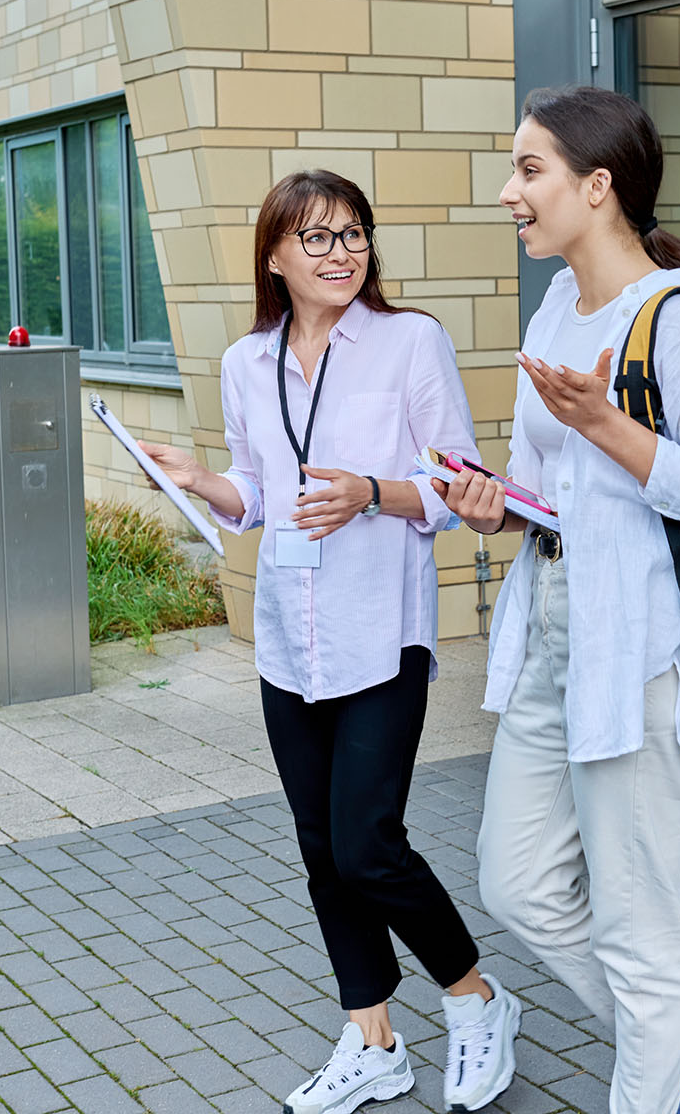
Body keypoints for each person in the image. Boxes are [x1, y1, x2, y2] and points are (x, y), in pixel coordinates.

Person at [140, 170, 522, 1114]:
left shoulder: (409, 343)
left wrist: (373, 491)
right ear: (275, 254)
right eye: (317, 238)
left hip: (381, 636)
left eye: (354, 234)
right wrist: (198, 478)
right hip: (288, 643)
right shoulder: (246, 360)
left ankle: (475, 997)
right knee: (322, 852)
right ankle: (372, 1039)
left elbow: (461, 487)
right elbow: (256, 494)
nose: (342, 252)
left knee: (367, 844)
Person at [439, 86, 680, 1114]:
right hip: (549, 637)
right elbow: (553, 493)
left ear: (598, 185)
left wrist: (610, 428)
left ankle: (663, 1072)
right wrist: (493, 506)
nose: (509, 193)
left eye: (529, 170)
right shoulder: (553, 310)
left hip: (639, 658)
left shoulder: (679, 321)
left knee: (638, 926)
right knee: (516, 879)